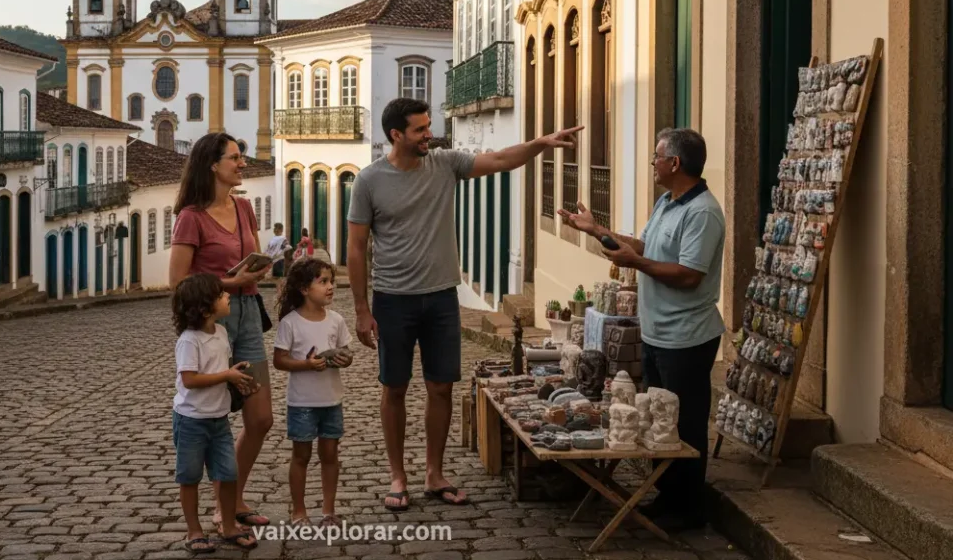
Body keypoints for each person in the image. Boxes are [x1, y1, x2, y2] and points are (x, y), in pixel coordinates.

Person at [347, 97, 582, 511]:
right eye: (420, 129)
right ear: (396, 135)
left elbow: (500, 159)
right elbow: (356, 245)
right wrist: (361, 309)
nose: (429, 134)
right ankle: (397, 476)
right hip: (393, 299)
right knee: (394, 388)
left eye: (428, 126)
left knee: (441, 387)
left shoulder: (444, 164)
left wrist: (540, 143)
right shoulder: (369, 181)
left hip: (440, 297)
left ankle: (434, 473)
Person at [559, 127, 724, 531]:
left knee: (683, 424)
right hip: (657, 333)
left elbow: (688, 275)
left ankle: (687, 508)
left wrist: (635, 264)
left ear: (675, 163)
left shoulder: (702, 212)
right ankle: (667, 497)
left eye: (656, 157)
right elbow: (645, 247)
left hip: (686, 336)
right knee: (657, 421)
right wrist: (597, 230)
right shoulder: (667, 202)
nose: (652, 163)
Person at [169, 133, 275, 529]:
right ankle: (224, 508)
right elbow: (178, 282)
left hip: (248, 315)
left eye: (242, 156)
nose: (243, 163)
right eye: (235, 157)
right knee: (216, 417)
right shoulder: (191, 217)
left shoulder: (245, 207)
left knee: (260, 418)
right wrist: (228, 284)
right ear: (213, 165)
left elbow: (253, 257)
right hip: (212, 323)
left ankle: (230, 498)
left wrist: (259, 271)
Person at [171, 273, 259, 552]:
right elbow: (190, 380)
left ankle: (229, 524)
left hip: (218, 418)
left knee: (228, 472)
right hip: (191, 421)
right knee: (190, 476)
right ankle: (194, 531)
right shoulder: (189, 341)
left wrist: (240, 380)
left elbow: (223, 369)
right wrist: (227, 376)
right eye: (221, 294)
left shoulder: (221, 333)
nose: (228, 296)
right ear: (204, 306)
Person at [272, 258, 353, 527]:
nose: (331, 287)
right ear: (305, 289)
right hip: (302, 402)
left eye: (332, 281)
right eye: (323, 282)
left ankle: (329, 511)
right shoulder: (291, 323)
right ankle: (299, 512)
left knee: (330, 456)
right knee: (301, 456)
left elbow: (347, 352)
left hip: (332, 400)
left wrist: (344, 359)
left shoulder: (337, 321)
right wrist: (306, 364)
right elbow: (279, 360)